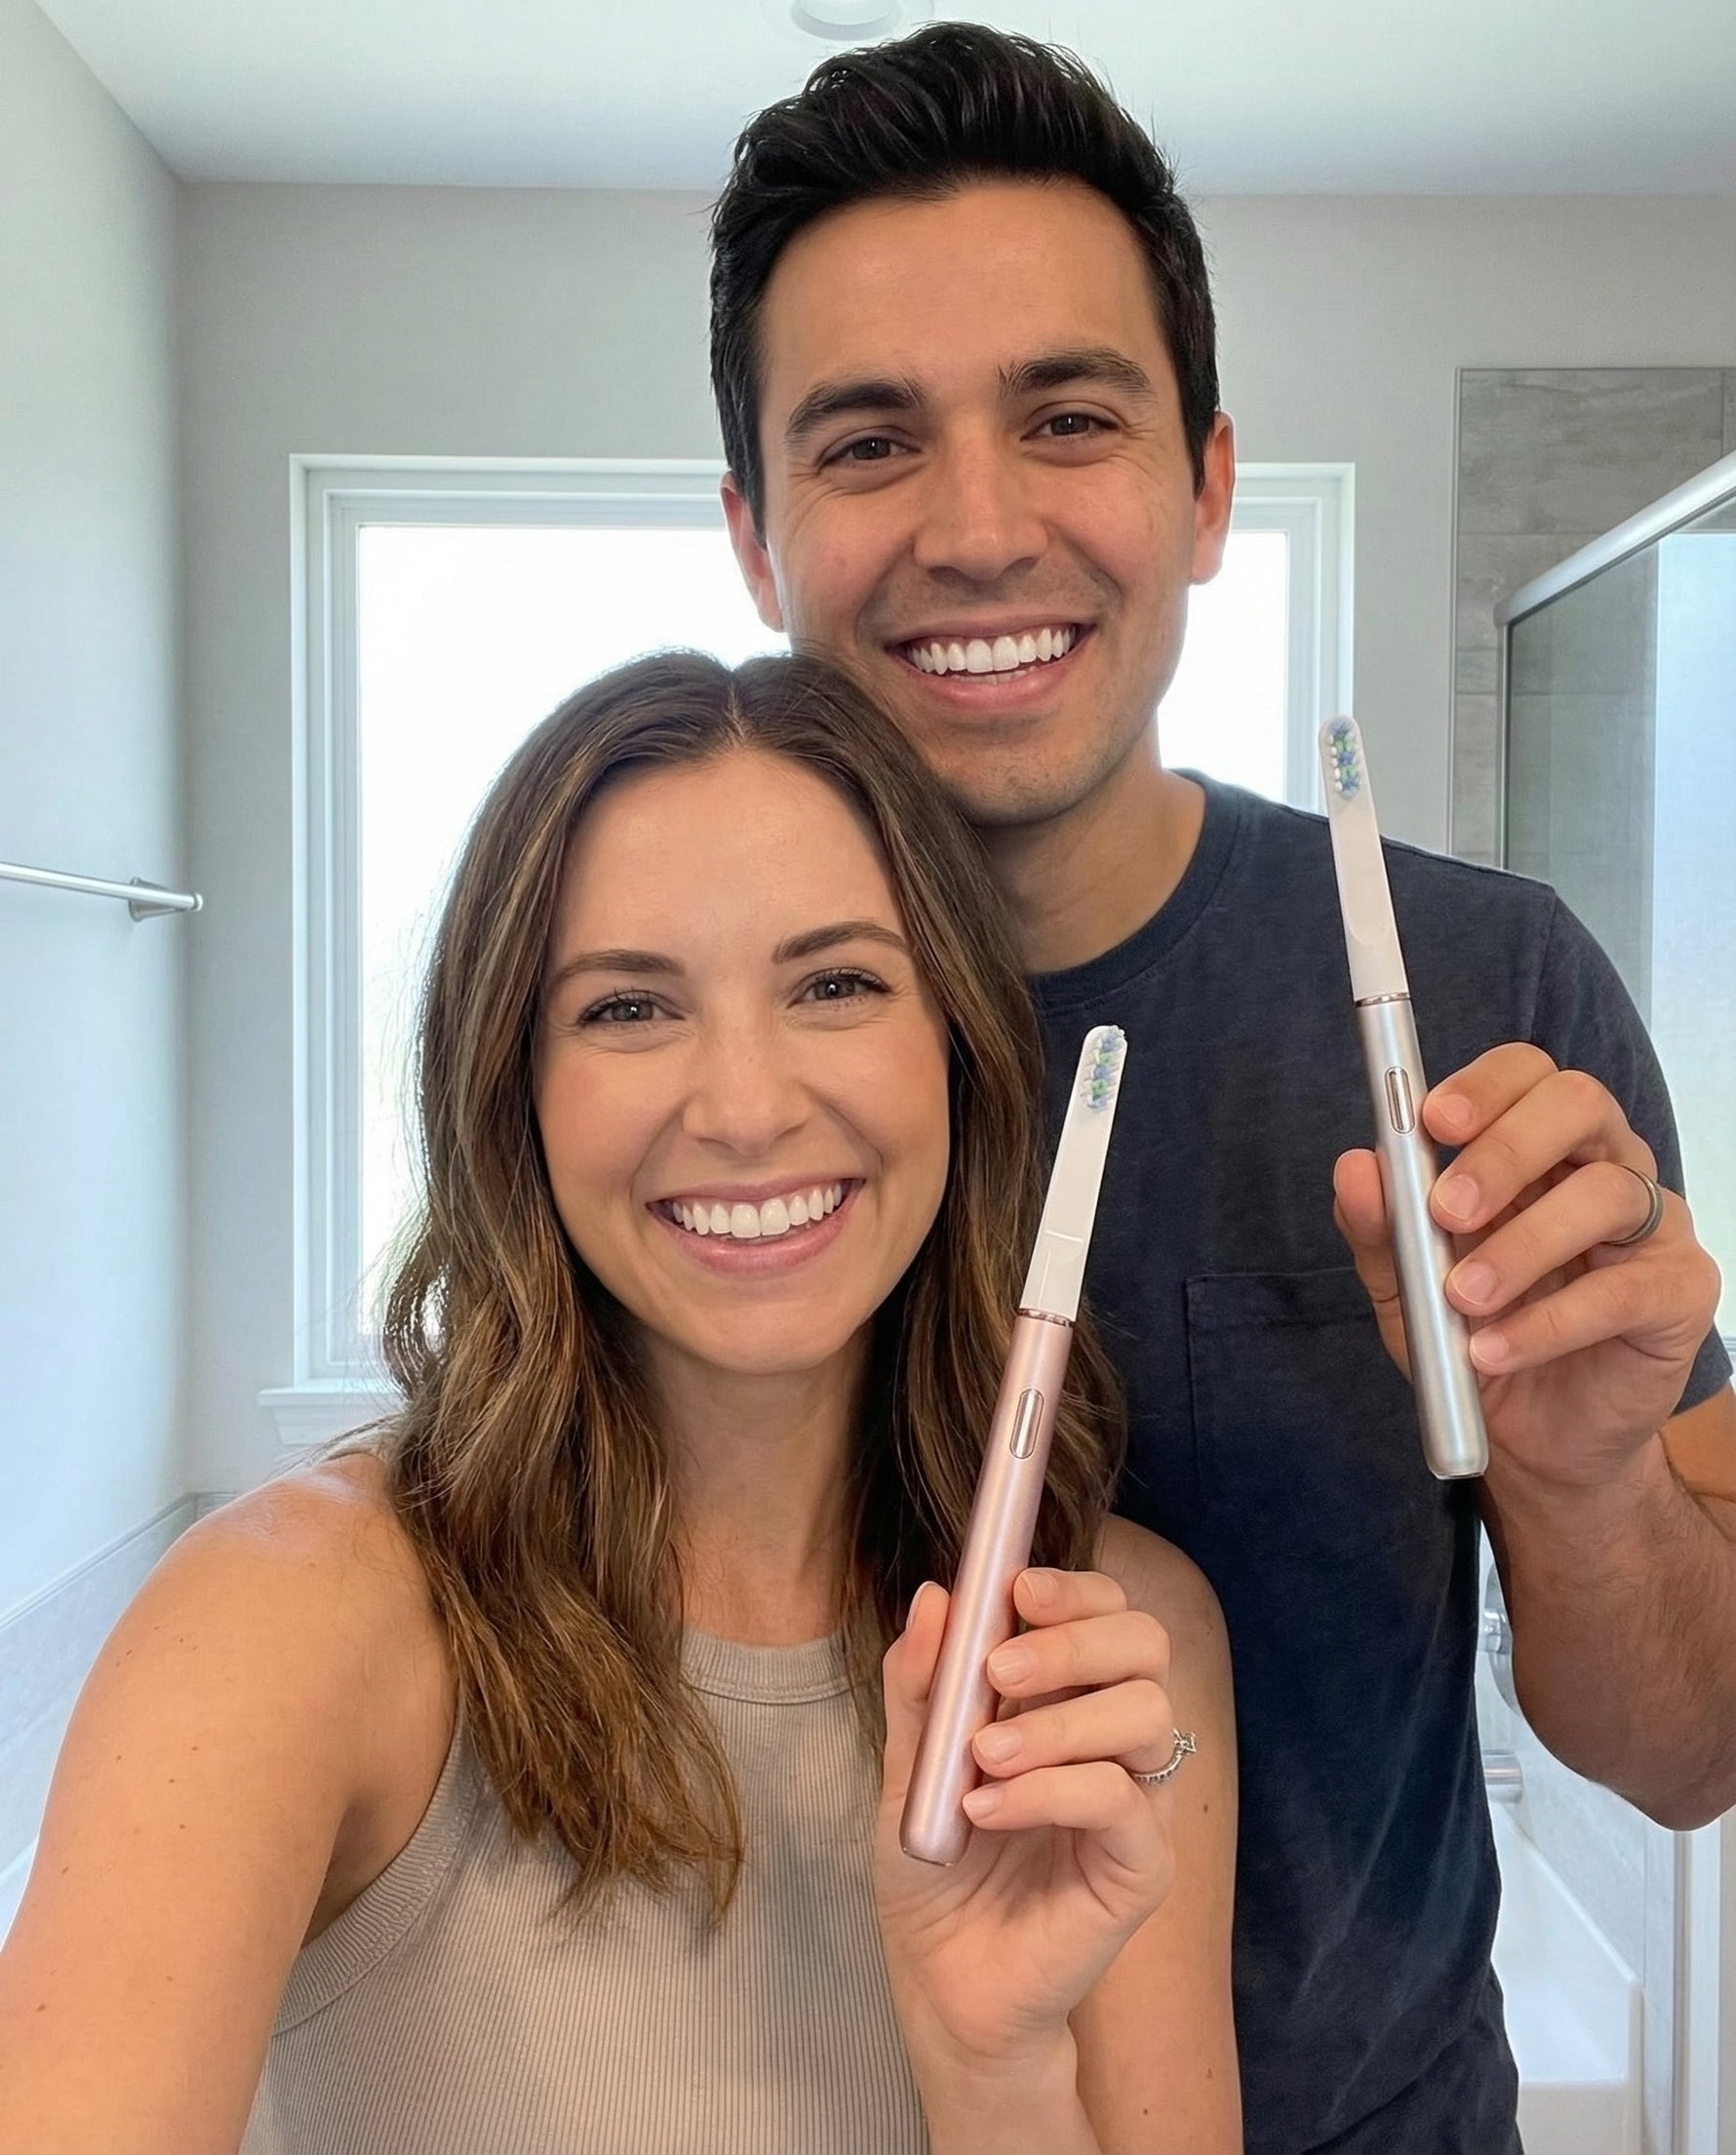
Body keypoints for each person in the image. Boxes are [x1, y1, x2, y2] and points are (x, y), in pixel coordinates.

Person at [708, 25, 1735, 2155]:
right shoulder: (687, 1078)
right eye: (870, 441)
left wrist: (1580, 1486)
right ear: (753, 533)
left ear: (1202, 488)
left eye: (1068, 418)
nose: (977, 527)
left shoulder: (1486, 993)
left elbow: (1692, 1750)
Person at [0, 651, 1241, 2155]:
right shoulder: (280, 1623)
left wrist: (995, 2070)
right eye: (630, 1006)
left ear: (959, 1045)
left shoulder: (1111, 1659)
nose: (746, 1107)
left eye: (836, 983)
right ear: (512, 1086)